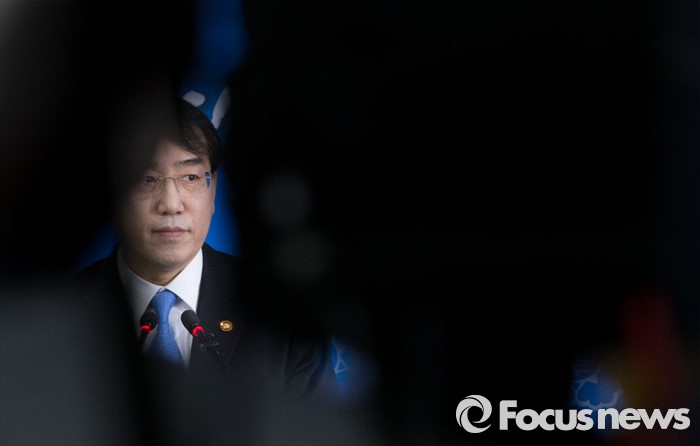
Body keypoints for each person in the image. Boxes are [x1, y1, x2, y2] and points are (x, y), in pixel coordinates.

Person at [71, 95, 342, 445]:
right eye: (147, 178)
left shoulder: (279, 310)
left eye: (190, 177)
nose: (171, 204)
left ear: (213, 194)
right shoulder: (62, 314)